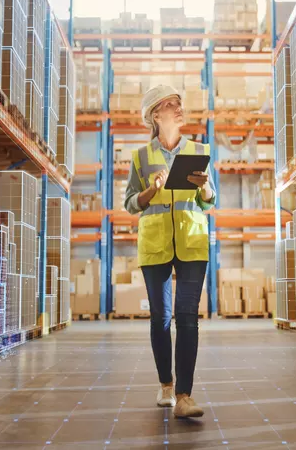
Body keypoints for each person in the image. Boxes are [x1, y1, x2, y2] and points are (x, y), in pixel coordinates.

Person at [124, 85, 216, 418]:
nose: (178, 108)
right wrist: (151, 190)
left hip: (192, 241)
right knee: (161, 318)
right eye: (169, 104)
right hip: (155, 243)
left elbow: (209, 198)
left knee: (188, 317)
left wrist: (205, 186)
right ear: (154, 115)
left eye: (179, 103)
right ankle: (166, 384)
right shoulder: (140, 157)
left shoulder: (198, 149)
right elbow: (130, 203)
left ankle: (184, 396)